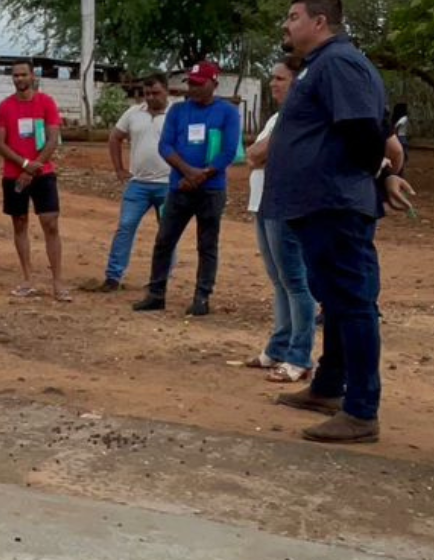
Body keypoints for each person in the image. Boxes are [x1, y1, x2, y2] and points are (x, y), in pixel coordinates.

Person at [265, 0, 388, 444]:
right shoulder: (324, 65)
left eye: (293, 16)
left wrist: (376, 175)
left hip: (334, 203)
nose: (286, 24)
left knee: (353, 303)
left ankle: (361, 411)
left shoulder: (338, 64)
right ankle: (328, 388)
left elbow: (363, 131)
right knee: (335, 301)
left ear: (319, 22)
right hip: (321, 204)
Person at [133, 61, 240, 317]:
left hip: (211, 190)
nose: (192, 88)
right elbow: (166, 146)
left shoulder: (227, 112)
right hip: (179, 187)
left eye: (197, 83)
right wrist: (189, 172)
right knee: (164, 240)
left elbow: (229, 151)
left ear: (213, 83)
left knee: (207, 244)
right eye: (189, 83)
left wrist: (202, 175)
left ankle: (202, 296)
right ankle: (156, 293)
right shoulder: (178, 111)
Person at [243, 57, 316, 383]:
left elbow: (257, 155)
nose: (273, 84)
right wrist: (260, 156)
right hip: (264, 205)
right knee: (280, 281)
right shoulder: (277, 117)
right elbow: (253, 155)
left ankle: (300, 355)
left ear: (297, 82)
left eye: (280, 79)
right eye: (272, 78)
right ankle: (279, 346)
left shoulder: (297, 118)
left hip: (285, 207)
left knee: (295, 282)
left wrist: (260, 156)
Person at [0, 60, 68, 301]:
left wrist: (34, 167)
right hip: (13, 175)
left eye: (23, 74)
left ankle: (58, 282)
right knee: (20, 223)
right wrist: (24, 165)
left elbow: (52, 139)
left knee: (50, 223)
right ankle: (27, 279)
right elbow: (0, 144)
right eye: (15, 75)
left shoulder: (46, 103)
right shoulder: (5, 107)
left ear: (32, 76)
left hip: (43, 174)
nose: (19, 79)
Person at [96, 76, 171, 292]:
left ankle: (160, 280)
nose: (150, 97)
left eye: (155, 93)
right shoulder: (133, 112)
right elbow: (115, 138)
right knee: (125, 227)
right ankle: (113, 276)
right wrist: (119, 169)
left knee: (167, 233)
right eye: (147, 93)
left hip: (168, 184)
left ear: (166, 91)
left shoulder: (176, 114)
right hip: (138, 184)